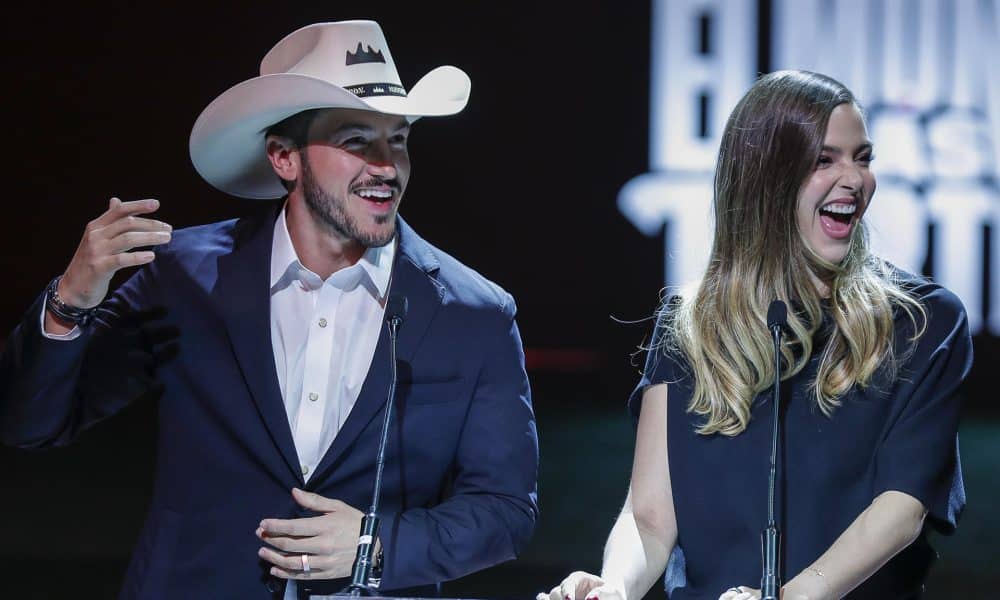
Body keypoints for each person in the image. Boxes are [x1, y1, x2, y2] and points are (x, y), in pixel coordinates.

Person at [0, 20, 538, 599]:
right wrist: (70, 303)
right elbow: (31, 424)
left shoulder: (473, 312)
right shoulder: (186, 277)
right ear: (284, 157)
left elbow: (506, 511)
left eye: (399, 140)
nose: (386, 165)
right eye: (357, 141)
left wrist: (376, 547)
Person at [540, 70, 972, 600]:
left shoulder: (923, 322)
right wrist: (615, 588)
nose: (854, 179)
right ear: (765, 178)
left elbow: (901, 510)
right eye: (824, 160)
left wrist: (789, 597)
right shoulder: (690, 324)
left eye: (862, 158)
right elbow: (649, 517)